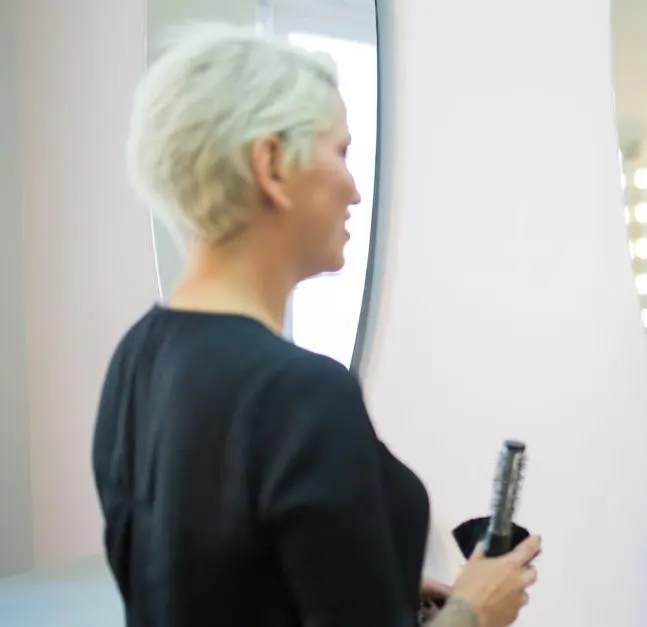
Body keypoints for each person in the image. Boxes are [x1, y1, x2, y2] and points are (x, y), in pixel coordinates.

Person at [91, 22, 540, 627]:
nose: (355, 190)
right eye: (342, 153)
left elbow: (213, 580)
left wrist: (379, 589)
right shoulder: (299, 394)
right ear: (271, 164)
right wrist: (474, 610)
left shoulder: (136, 357)